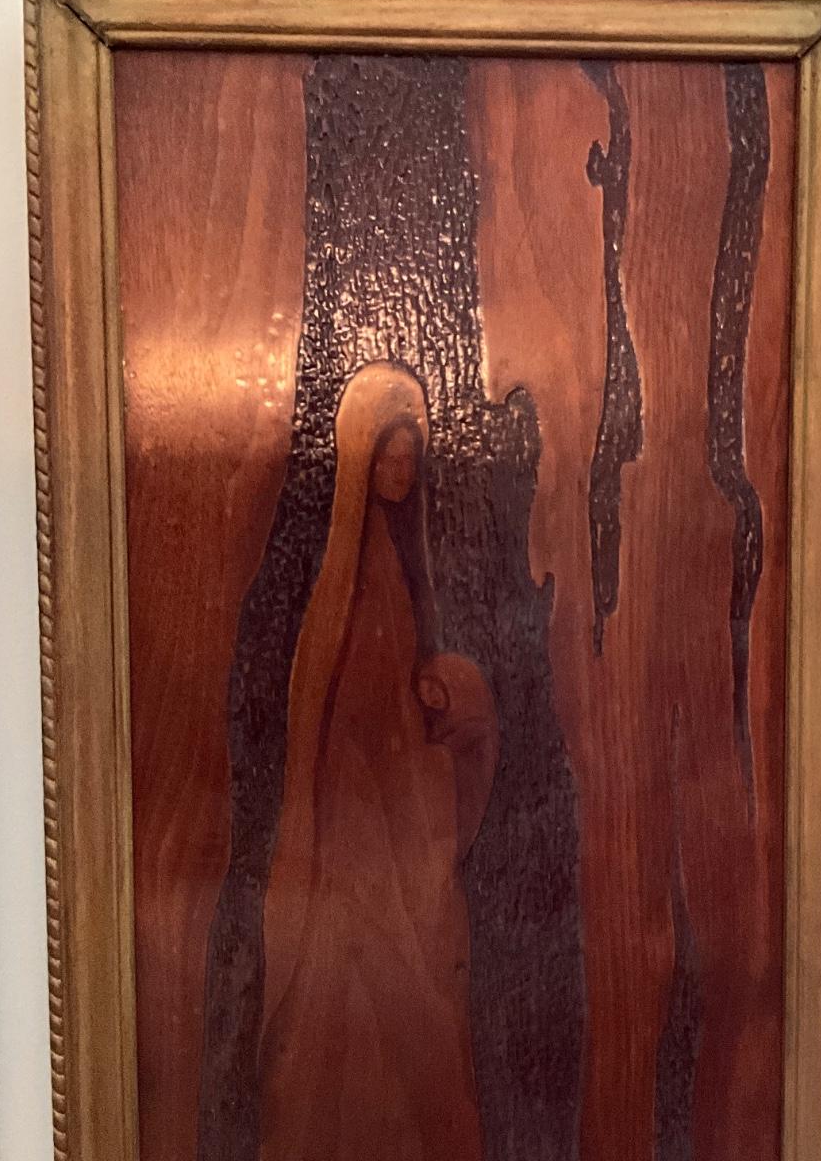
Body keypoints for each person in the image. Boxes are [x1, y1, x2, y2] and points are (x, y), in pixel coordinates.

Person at [257, 363, 496, 1161]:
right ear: (362, 460)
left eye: (409, 458)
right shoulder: (345, 576)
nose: (400, 471)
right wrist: (392, 783)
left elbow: (392, 691)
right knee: (360, 996)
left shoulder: (393, 559)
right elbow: (339, 708)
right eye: (387, 457)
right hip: (356, 830)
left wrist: (429, 692)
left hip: (392, 815)